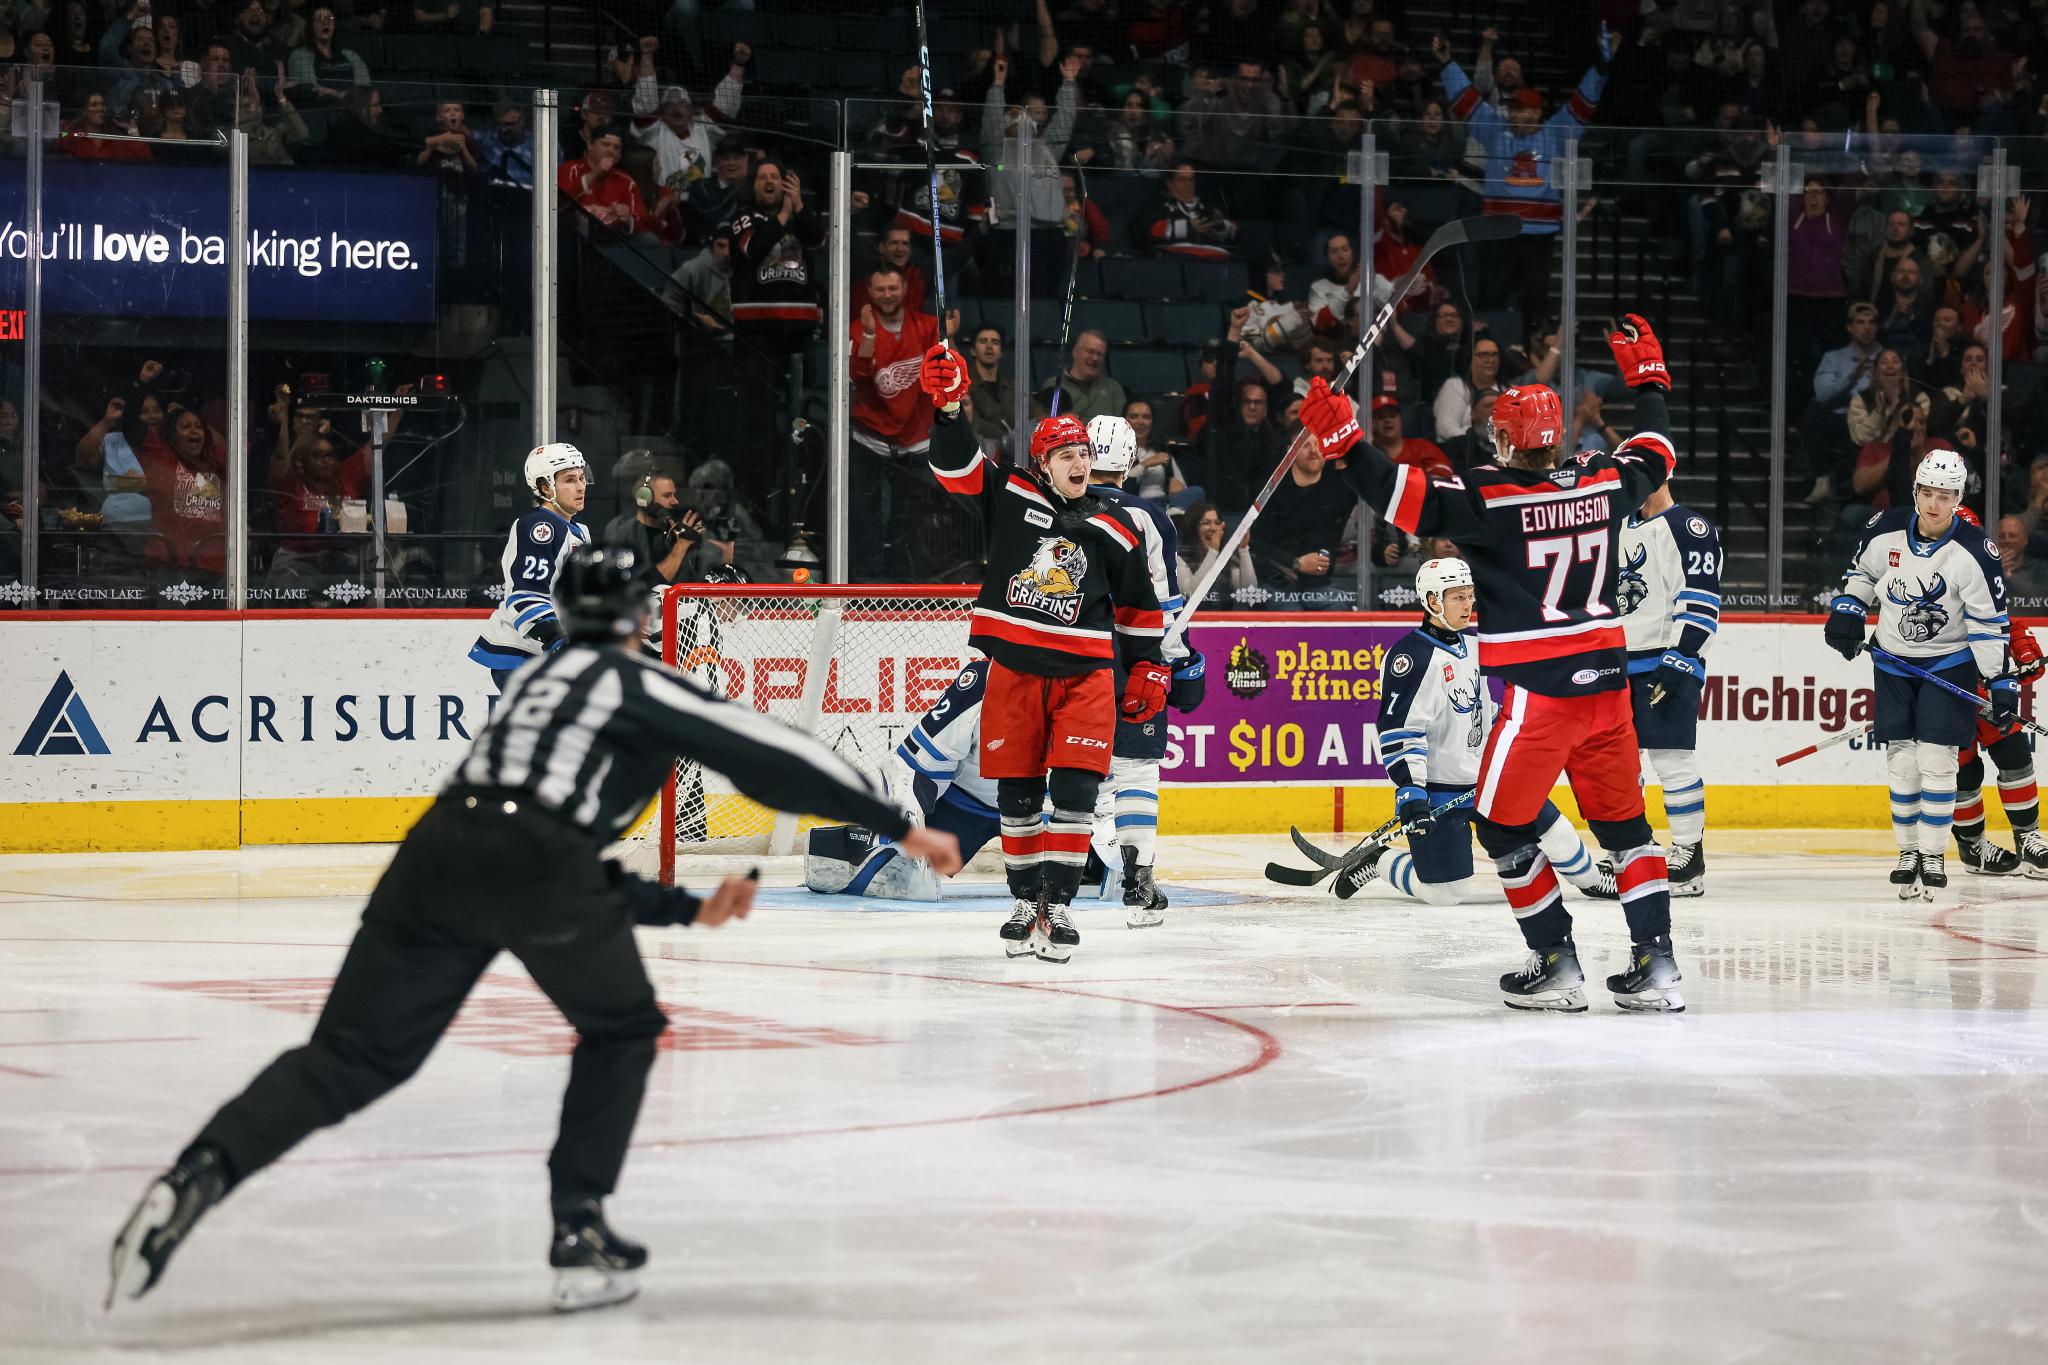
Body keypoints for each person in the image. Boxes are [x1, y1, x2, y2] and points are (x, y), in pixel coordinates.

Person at [109, 545, 963, 1317]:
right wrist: (893, 820)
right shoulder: (637, 679)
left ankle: (197, 1173)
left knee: (347, 1058)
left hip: (437, 845)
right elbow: (767, 751)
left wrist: (681, 906)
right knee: (622, 1027)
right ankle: (578, 1229)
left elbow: (532, 839)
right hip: (536, 856)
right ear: (640, 618)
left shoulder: (531, 687)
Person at [1298, 313, 1686, 1013]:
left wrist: (1343, 441)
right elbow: (1655, 453)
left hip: (1541, 700)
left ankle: (1556, 960)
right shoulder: (1602, 483)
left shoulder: (1489, 498)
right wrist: (1649, 380)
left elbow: (1396, 494)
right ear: (1560, 436)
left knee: (1503, 822)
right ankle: (1656, 967)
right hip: (1608, 694)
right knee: (1627, 830)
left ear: (1504, 439)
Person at [918, 346, 1169, 963]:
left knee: (1078, 792)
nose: (1079, 463)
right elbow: (956, 469)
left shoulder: (1117, 524)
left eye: (1085, 453)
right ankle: (1025, 902)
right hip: (1014, 672)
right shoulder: (1010, 495)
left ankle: (1057, 905)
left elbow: (1139, 610)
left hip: (1085, 676)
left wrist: (1150, 666)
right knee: (1020, 797)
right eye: (1066, 455)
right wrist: (949, 410)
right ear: (1043, 464)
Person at [1341, 558, 1615, 905]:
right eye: (1457, 597)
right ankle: (1378, 862)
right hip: (1442, 790)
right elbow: (1401, 731)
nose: (1468, 604)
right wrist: (1411, 792)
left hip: (1492, 779)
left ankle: (1593, 880)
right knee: (1446, 893)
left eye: (1470, 595)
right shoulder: (1412, 657)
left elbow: (1484, 709)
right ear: (1432, 601)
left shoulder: (1476, 644)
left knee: (1556, 830)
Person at [1825, 448, 2012, 899]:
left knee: (1937, 758)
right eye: (1927, 492)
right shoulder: (1883, 527)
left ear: (1958, 498)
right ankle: (1908, 852)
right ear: (1916, 492)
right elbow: (1862, 574)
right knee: (1902, 760)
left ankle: (1932, 854)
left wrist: (2000, 682)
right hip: (1892, 661)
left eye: (1945, 495)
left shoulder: (1974, 552)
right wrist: (1849, 609)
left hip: (1949, 661)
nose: (1934, 503)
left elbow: (1988, 623)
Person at [803, 659, 1120, 903]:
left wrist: (1113, 831)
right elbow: (910, 768)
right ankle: (855, 844)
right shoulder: (985, 681)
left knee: (1101, 876)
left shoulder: (1097, 687)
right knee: (894, 872)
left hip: (1050, 814)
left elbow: (1106, 781)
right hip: (966, 805)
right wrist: (906, 831)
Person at [1085, 414, 1205, 925]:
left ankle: (1054, 877)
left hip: (1068, 655)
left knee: (1061, 768)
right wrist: (1182, 661)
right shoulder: (1151, 518)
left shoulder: (1053, 507)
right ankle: (1138, 879)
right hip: (1135, 655)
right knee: (1135, 769)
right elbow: (1163, 604)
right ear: (1131, 461)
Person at [1611, 484, 1722, 896]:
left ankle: (1689, 855)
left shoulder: (1688, 528)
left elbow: (1702, 600)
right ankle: (1634, 849)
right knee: (1621, 762)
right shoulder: (1617, 525)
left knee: (1671, 758)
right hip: (1619, 664)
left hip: (1667, 659)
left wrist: (1681, 657)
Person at [1950, 508, 2048, 877]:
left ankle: (2029, 838)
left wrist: (2024, 650)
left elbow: (2003, 622)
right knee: (1963, 771)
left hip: (1985, 687)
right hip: (1944, 692)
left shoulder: (1983, 571)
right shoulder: (1918, 572)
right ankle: (1972, 846)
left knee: (2014, 753)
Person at [847, 266, 945, 579]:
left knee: (912, 522)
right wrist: (870, 336)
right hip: (870, 439)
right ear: (870, 293)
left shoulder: (928, 326)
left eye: (892, 288)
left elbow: (941, 373)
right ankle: (866, 590)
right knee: (865, 520)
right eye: (880, 289)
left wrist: (949, 339)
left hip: (916, 440)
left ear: (904, 290)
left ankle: (911, 591)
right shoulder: (857, 328)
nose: (887, 295)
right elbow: (859, 376)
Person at [469, 444, 593, 690]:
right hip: (522, 655)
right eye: (570, 480)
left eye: (581, 478)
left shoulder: (577, 530)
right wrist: (556, 639)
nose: (581, 487)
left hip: (544, 656)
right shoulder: (540, 526)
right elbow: (526, 596)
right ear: (546, 487)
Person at [602, 472, 719, 589]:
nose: (675, 501)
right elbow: (647, 584)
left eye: (674, 495)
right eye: (667, 496)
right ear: (645, 498)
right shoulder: (624, 531)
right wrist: (683, 544)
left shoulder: (673, 530)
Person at [1038, 330, 1126, 428]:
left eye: (1100, 354)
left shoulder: (1113, 389)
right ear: (1075, 352)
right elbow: (1050, 424)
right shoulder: (1055, 384)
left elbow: (1122, 427)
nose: (1095, 358)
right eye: (1090, 351)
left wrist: (1076, 419)